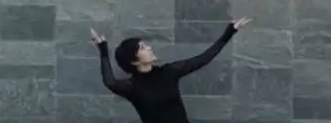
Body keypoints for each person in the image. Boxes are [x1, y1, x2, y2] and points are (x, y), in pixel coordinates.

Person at [90, 17, 251, 123]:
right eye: (142, 48)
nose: (149, 48)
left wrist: (229, 32)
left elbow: (203, 59)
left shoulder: (169, 72)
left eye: (146, 45)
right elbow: (110, 82)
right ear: (133, 60)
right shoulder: (132, 87)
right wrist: (103, 50)